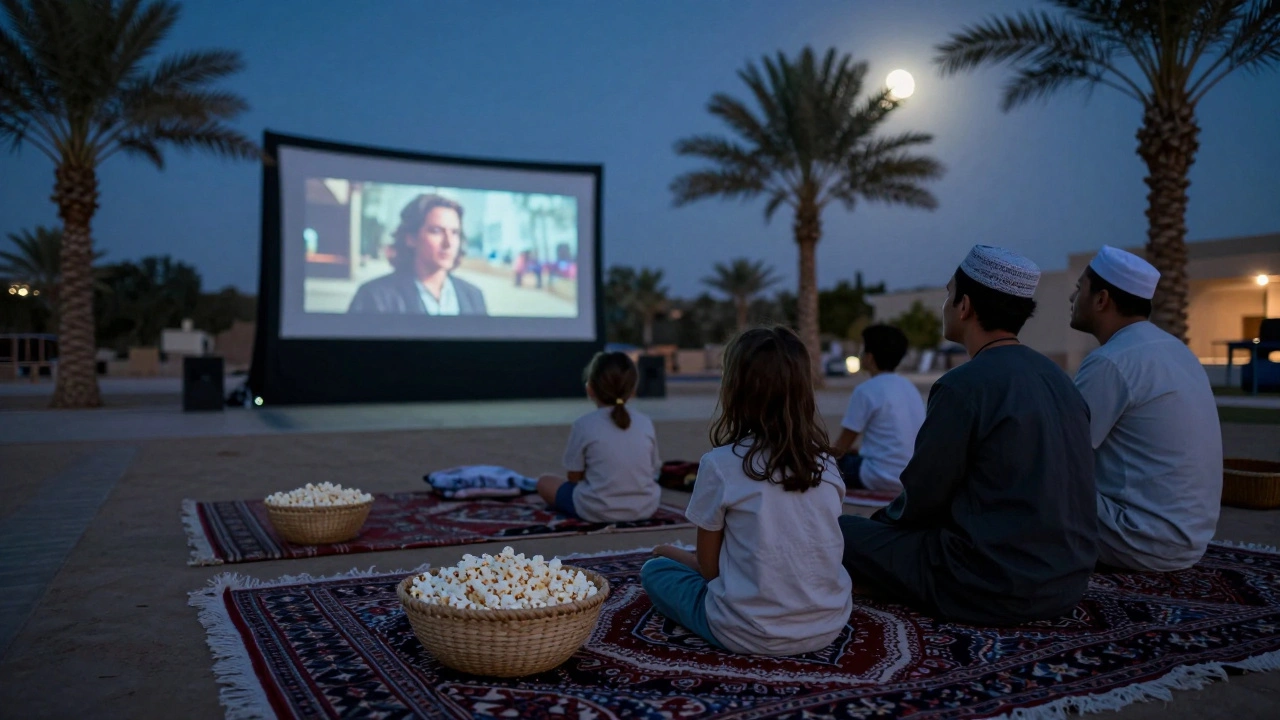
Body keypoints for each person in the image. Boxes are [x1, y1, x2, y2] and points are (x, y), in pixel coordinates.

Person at [839, 245, 1097, 626]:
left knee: (840, 529)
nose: (944, 304)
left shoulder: (963, 386)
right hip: (1066, 582)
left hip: (988, 582)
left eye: (948, 293)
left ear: (965, 306)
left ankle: (892, 579)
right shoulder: (1060, 380)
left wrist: (877, 531)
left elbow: (923, 496)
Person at [643, 327, 852, 655]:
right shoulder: (825, 463)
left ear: (733, 391)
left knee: (654, 570)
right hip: (827, 624)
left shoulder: (720, 465)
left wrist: (675, 554)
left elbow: (711, 571)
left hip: (748, 631)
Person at [1069, 246, 1223, 572]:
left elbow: (1061, 451)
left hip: (1138, 538)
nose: (1072, 298)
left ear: (1101, 299)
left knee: (1026, 473)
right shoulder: (1175, 350)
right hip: (1189, 540)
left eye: (1079, 288)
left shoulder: (1111, 361)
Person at [536, 352, 662, 522]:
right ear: (632, 391)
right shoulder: (645, 422)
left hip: (597, 510)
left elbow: (573, 477)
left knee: (544, 482)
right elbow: (653, 469)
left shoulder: (584, 424)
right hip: (645, 507)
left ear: (590, 388)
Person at [347, 194, 488, 315]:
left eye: (455, 233)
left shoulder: (473, 296)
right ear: (411, 238)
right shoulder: (374, 296)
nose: (449, 243)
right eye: (436, 231)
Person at [830, 324, 926, 492]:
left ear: (870, 357)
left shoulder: (866, 390)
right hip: (912, 476)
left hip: (880, 476)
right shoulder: (909, 387)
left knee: (830, 463)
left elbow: (841, 447)